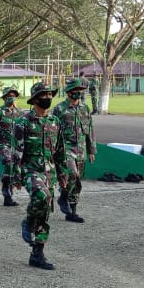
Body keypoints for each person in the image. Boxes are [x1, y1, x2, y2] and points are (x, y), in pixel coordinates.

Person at [14, 82, 65, 270]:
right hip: (31, 170)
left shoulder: (54, 121)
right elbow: (16, 152)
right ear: (35, 99)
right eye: (44, 95)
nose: (48, 98)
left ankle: (37, 254)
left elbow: (60, 150)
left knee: (44, 213)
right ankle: (28, 221)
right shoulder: (23, 122)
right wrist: (15, 176)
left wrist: (62, 173)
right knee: (43, 196)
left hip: (49, 172)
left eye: (50, 95)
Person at [52, 78, 96, 223]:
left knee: (77, 181)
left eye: (80, 90)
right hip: (65, 149)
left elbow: (90, 129)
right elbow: (52, 130)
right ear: (69, 92)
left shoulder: (85, 108)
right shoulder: (59, 109)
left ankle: (72, 212)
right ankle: (63, 196)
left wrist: (91, 150)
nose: (78, 93)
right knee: (72, 174)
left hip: (81, 149)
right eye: (75, 90)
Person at [0, 87, 23, 207]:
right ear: (4, 98)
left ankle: (9, 194)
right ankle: (6, 191)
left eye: (13, 96)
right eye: (9, 96)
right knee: (9, 161)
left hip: (16, 146)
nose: (11, 98)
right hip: (2, 144)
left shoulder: (20, 112)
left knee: (16, 166)